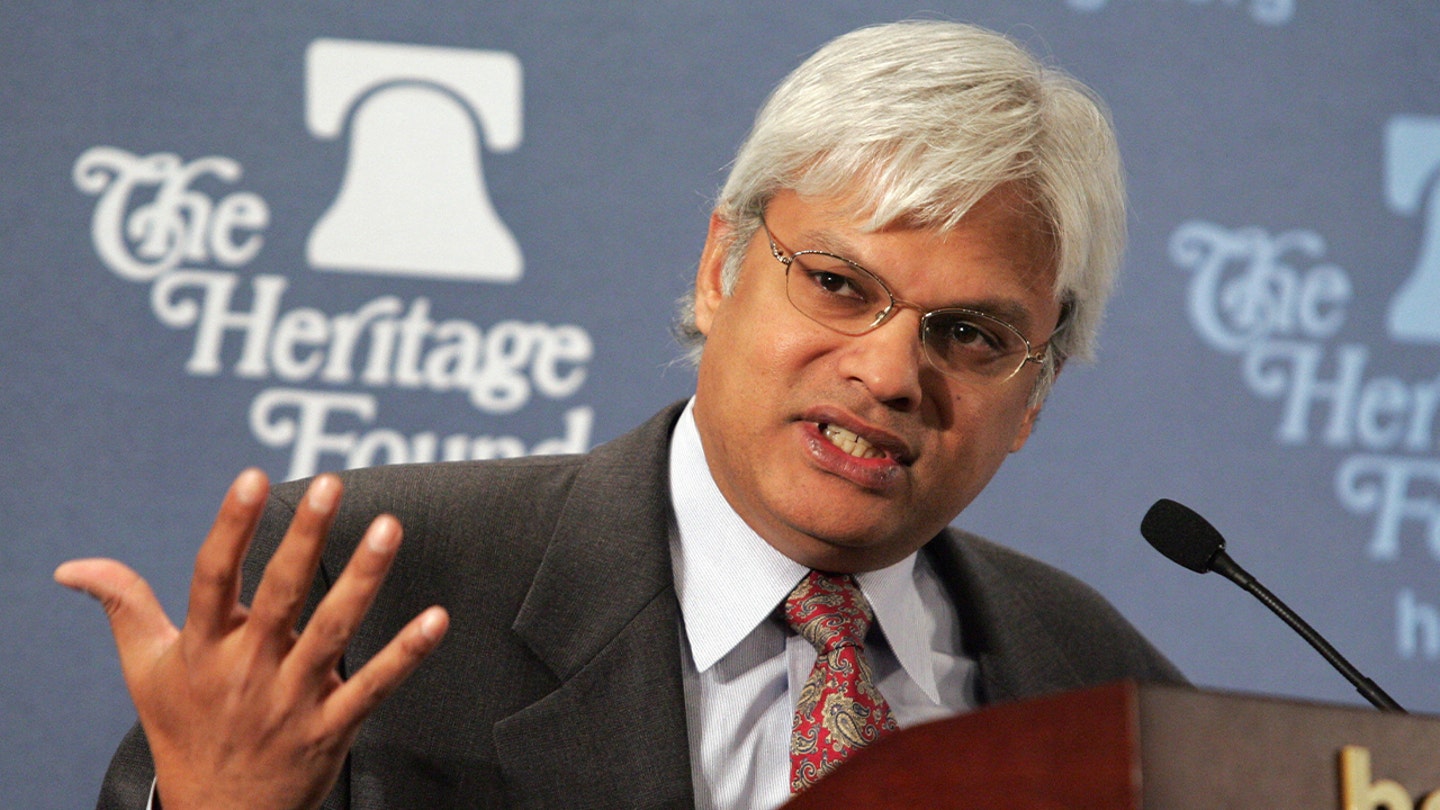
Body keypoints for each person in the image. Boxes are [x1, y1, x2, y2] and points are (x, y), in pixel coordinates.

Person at [59, 19, 1184, 810]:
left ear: (1035, 395)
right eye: (840, 285)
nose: (891, 373)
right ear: (719, 271)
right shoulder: (380, 585)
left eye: (971, 335)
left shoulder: (1107, 687)